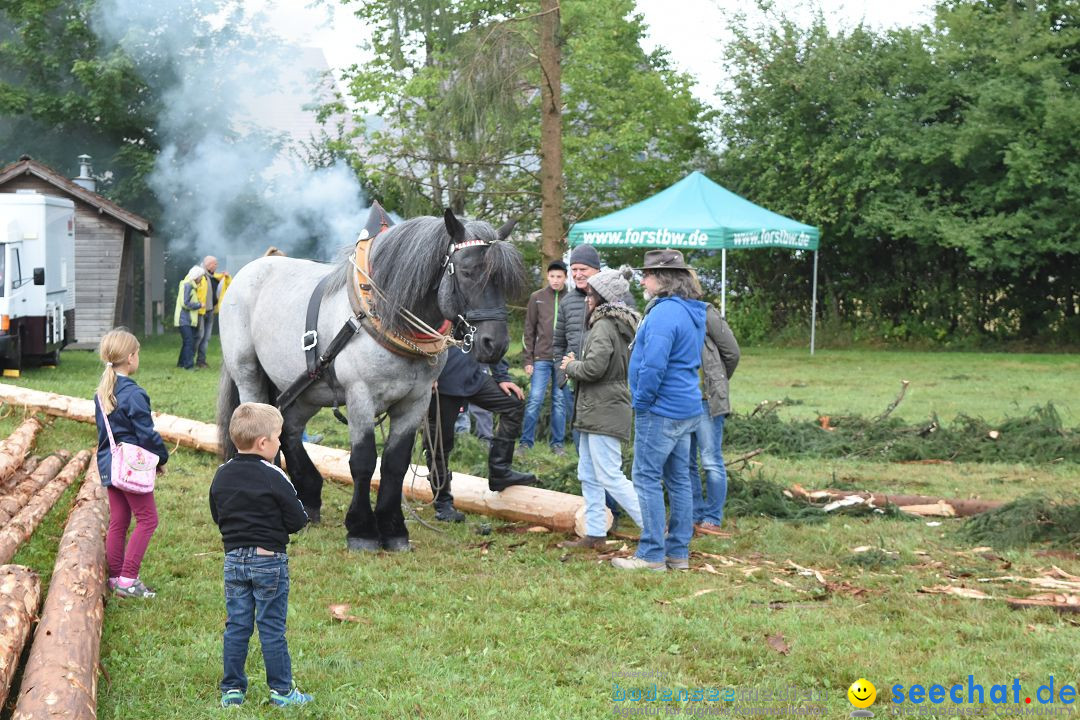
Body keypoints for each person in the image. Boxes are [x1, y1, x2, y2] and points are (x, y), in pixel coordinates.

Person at [209, 403, 312, 708]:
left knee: (237, 625)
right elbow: (298, 519)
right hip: (269, 562)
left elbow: (219, 514)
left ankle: (232, 690)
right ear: (263, 443)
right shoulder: (274, 476)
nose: (281, 442)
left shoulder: (222, 474)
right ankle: (282, 691)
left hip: (234, 562)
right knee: (272, 628)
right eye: (278, 437)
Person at [612, 249, 707, 572]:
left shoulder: (665, 313)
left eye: (648, 275)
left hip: (662, 409)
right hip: (686, 406)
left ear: (663, 279)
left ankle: (652, 554)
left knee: (646, 476)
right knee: (679, 478)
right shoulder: (691, 310)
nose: (642, 280)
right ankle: (677, 553)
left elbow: (654, 364)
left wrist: (641, 401)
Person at [559, 269, 643, 548]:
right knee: (589, 472)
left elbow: (595, 368)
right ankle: (595, 532)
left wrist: (570, 366)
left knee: (610, 475)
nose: (586, 298)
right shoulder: (613, 323)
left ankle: (654, 528)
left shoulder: (604, 325)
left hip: (604, 407)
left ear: (603, 297)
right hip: (596, 408)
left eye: (591, 294)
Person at [94, 328, 169, 599]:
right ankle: (128, 579)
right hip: (131, 467)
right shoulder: (134, 394)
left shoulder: (102, 391)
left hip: (109, 465)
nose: (138, 358)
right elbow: (145, 433)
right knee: (148, 520)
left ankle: (115, 578)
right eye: (137, 353)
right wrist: (161, 457)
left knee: (120, 519)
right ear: (130, 357)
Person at [424, 346, 537, 522]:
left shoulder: (478, 317)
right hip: (442, 382)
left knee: (513, 404)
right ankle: (443, 503)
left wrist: (502, 376)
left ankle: (500, 471)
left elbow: (491, 340)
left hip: (472, 377)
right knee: (438, 444)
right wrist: (428, 373)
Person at [689, 304, 740, 535]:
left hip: (706, 401)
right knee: (684, 461)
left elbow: (731, 353)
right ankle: (692, 513)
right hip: (680, 400)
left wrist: (717, 380)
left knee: (710, 459)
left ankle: (712, 516)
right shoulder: (666, 310)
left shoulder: (706, 313)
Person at [519, 260, 569, 455]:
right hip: (540, 357)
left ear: (565, 277)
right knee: (535, 400)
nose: (556, 280)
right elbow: (528, 330)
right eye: (552, 276)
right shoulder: (537, 297)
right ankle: (525, 443)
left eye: (560, 276)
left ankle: (557, 444)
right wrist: (528, 360)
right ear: (548, 276)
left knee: (559, 402)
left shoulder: (573, 298)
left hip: (563, 361)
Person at [195, 255, 231, 369]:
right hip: (200, 311)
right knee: (199, 337)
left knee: (206, 338)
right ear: (209, 264)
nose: (216, 267)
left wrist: (227, 277)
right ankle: (188, 360)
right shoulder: (198, 274)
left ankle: (201, 361)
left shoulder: (214, 277)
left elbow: (227, 284)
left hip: (210, 311)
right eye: (215, 264)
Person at [174, 265, 205, 370]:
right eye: (201, 276)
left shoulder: (190, 286)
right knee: (189, 342)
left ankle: (181, 363)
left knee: (186, 342)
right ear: (196, 276)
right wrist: (199, 305)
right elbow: (185, 303)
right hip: (184, 320)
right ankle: (188, 366)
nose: (201, 279)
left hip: (186, 320)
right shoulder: (187, 286)